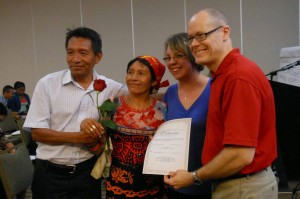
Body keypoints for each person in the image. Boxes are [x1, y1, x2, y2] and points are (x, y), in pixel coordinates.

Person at [164, 8, 278, 199]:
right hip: (231, 184)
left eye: (201, 36)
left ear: (225, 32)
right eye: (191, 39)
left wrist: (193, 176)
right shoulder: (222, 75)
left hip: (242, 187)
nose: (194, 44)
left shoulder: (237, 77)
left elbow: (240, 155)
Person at [23, 27, 127, 199]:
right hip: (49, 174)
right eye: (70, 52)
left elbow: (140, 97)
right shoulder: (47, 84)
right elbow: (37, 133)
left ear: (98, 57)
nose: (75, 59)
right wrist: (79, 137)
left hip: (87, 174)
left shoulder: (111, 88)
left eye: (83, 53)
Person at [81, 55, 169, 198]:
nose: (133, 77)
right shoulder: (112, 105)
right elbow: (101, 146)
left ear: (153, 81)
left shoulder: (162, 110)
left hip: (154, 189)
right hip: (117, 187)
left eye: (141, 73)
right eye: (130, 72)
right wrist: (88, 132)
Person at [162, 33, 211, 199]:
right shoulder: (170, 93)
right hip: (177, 186)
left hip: (209, 184)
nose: (172, 62)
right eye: (167, 57)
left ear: (192, 56)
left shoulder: (215, 88)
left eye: (179, 55)